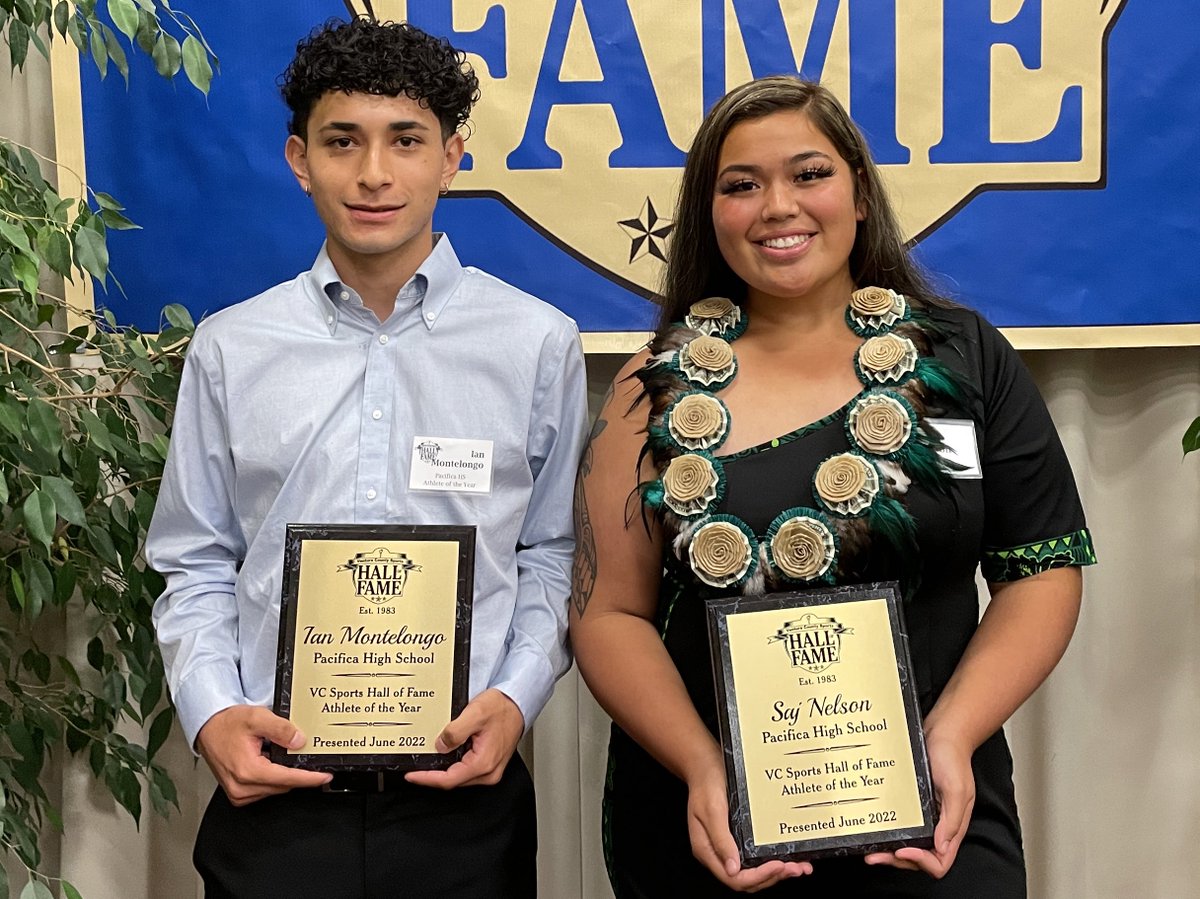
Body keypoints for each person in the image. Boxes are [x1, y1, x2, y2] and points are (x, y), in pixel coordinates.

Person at [570, 76, 1095, 896]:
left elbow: (1041, 569)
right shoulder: (651, 388)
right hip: (715, 831)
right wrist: (705, 767)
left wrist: (950, 738)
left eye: (809, 174)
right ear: (710, 213)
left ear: (857, 190)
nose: (778, 205)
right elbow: (608, 614)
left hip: (932, 817)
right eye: (741, 185)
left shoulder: (964, 358)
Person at [146, 16, 588, 898]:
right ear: (299, 158)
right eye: (343, 141)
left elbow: (552, 555)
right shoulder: (232, 348)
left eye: (407, 141)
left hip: (462, 794)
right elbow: (193, 559)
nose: (375, 173)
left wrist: (515, 698)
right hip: (276, 787)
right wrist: (211, 715)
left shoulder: (538, 343)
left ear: (452, 157)